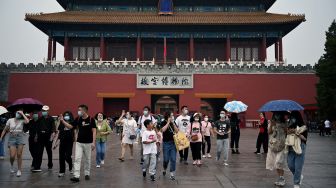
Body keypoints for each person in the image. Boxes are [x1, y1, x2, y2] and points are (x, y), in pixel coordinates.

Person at [70, 104, 97, 183]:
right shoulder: (78, 119)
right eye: (78, 110)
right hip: (79, 143)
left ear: (84, 110)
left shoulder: (91, 119)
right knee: (77, 159)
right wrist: (62, 121)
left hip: (88, 143)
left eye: (80, 110)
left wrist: (93, 142)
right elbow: (71, 127)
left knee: (87, 159)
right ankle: (76, 176)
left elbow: (94, 131)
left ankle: (87, 173)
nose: (78, 111)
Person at [0, 110, 30, 177]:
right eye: (17, 113)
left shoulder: (22, 120)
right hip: (12, 138)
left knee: (19, 154)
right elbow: (5, 129)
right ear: (15, 113)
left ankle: (19, 170)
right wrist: (1, 137)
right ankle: (12, 165)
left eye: (19, 113)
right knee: (12, 156)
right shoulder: (10, 120)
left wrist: (22, 113)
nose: (18, 114)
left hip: (20, 138)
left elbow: (27, 121)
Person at [266, 111, 288, 187]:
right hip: (273, 145)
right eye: (275, 115)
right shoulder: (272, 123)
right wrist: (272, 124)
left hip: (282, 145)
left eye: (278, 115)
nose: (277, 117)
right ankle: (280, 178)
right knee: (276, 163)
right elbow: (269, 132)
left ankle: (282, 179)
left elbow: (287, 132)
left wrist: (284, 127)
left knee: (279, 162)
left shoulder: (285, 123)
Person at [287, 111, 308, 188]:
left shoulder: (303, 126)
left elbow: (305, 139)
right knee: (290, 165)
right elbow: (286, 135)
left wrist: (297, 133)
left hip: (300, 147)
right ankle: (299, 176)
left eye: (293, 117)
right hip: (291, 147)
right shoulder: (289, 126)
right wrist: (289, 131)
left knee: (298, 167)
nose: (292, 119)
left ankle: (296, 183)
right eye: (291, 117)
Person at [53, 111, 75, 177]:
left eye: (67, 115)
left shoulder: (72, 122)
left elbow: (70, 127)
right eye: (65, 115)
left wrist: (62, 121)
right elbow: (58, 133)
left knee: (68, 156)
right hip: (62, 142)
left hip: (69, 142)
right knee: (61, 157)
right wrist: (55, 143)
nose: (66, 116)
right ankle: (62, 171)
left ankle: (71, 166)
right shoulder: (61, 123)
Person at [36, 105, 56, 170]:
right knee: (39, 152)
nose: (44, 112)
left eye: (46, 111)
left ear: (48, 111)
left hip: (48, 138)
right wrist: (36, 136)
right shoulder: (40, 119)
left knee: (49, 152)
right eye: (43, 111)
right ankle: (38, 166)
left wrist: (51, 138)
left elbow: (53, 129)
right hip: (41, 137)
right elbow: (37, 129)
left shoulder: (51, 119)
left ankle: (50, 164)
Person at [160, 111, 178, 180]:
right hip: (166, 143)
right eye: (171, 115)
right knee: (166, 159)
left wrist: (173, 123)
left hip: (173, 143)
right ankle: (164, 168)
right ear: (168, 116)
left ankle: (172, 173)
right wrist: (168, 122)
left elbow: (177, 131)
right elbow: (163, 130)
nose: (172, 117)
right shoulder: (163, 122)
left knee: (173, 159)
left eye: (173, 116)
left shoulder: (173, 122)